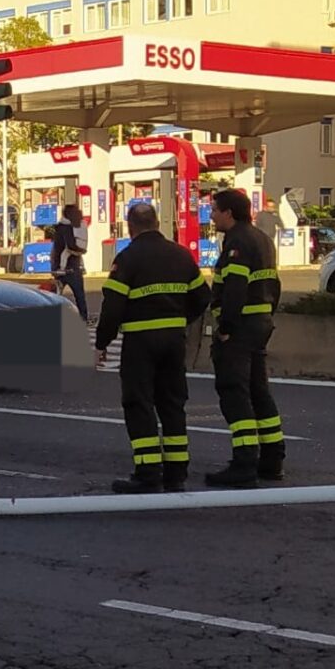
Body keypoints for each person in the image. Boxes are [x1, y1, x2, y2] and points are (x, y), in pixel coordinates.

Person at [94, 201, 208, 494]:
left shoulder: (128, 258)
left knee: (139, 403)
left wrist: (102, 342)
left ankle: (147, 473)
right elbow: (202, 298)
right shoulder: (181, 256)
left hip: (140, 343)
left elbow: (113, 307)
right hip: (173, 341)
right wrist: (180, 320)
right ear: (158, 223)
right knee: (172, 404)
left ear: (131, 227)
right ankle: (176, 473)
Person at [206, 187, 284, 487]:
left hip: (240, 328)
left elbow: (235, 286)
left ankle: (244, 462)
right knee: (258, 391)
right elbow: (273, 284)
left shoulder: (237, 241)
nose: (211, 215)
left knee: (234, 392)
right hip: (260, 324)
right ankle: (272, 459)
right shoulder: (262, 239)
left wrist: (225, 327)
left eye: (214, 210)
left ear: (228, 212)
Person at [50, 203, 89, 322]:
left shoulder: (60, 228)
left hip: (60, 268)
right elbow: (71, 245)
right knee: (79, 295)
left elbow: (55, 249)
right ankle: (83, 317)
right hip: (70, 269)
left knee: (55, 295)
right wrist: (82, 250)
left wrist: (54, 267)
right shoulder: (67, 228)